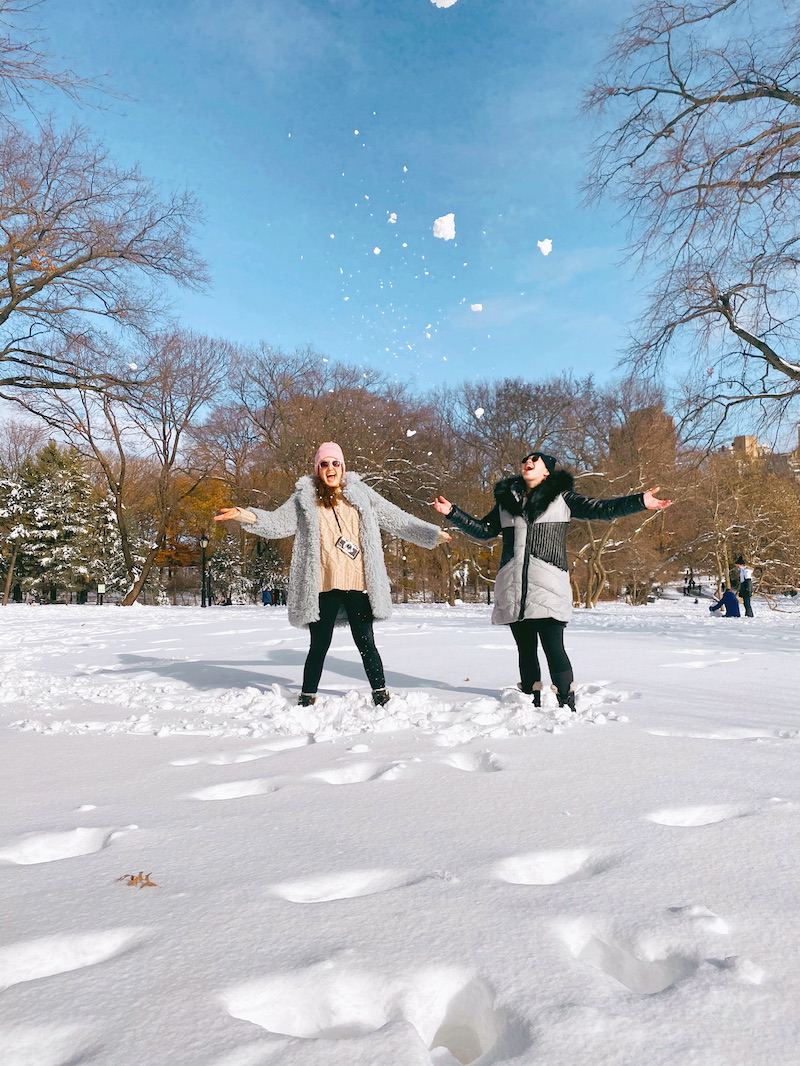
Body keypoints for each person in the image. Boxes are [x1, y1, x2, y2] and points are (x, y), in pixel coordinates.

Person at [215, 442, 451, 706]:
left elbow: (394, 517)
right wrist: (244, 515)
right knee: (319, 645)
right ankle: (307, 696)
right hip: (322, 585)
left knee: (366, 642)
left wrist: (430, 534)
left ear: (343, 467)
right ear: (318, 469)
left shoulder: (362, 494)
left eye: (335, 463)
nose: (330, 468)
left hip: (358, 582)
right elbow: (278, 524)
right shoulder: (304, 498)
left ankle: (381, 693)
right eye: (324, 464)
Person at [432, 451, 672, 711]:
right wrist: (452, 512)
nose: (528, 462)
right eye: (525, 459)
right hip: (514, 586)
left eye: (536, 460)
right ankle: (529, 699)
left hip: (549, 584)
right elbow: (484, 531)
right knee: (525, 649)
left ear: (547, 471)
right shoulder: (506, 503)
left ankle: (566, 703)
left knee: (553, 647)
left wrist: (639, 502)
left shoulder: (562, 499)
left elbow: (603, 509)